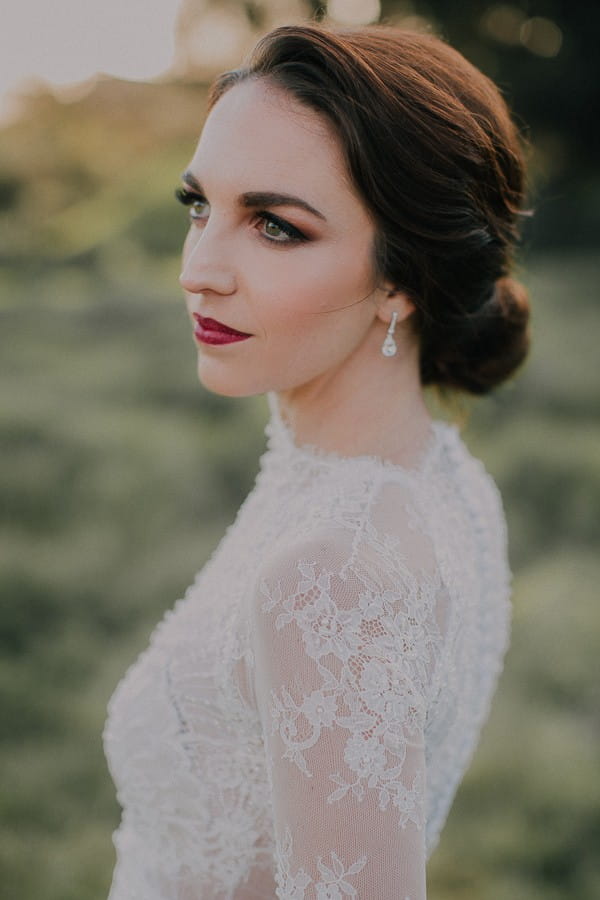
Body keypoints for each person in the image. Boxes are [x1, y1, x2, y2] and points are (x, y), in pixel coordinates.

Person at [103, 21, 530, 900]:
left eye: (274, 227)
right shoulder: (441, 476)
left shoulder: (328, 578)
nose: (201, 270)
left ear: (399, 279)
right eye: (199, 206)